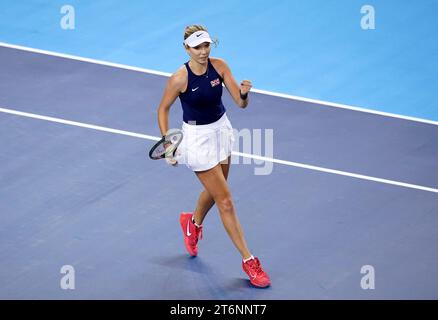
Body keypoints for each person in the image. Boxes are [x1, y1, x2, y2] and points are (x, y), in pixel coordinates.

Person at [156, 25, 270, 288]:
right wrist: (168, 143)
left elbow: (240, 104)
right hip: (197, 140)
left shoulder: (220, 66)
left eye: (207, 45)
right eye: (198, 47)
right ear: (187, 48)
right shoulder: (179, 78)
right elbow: (162, 109)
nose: (204, 51)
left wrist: (244, 94)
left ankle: (192, 223)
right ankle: (249, 260)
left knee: (218, 189)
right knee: (226, 201)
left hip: (222, 131)